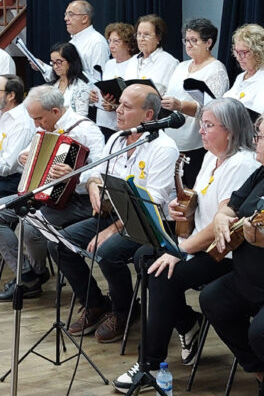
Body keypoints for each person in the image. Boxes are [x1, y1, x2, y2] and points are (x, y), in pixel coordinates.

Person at [113, 98, 260, 394]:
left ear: (229, 130)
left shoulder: (242, 163)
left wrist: (179, 251)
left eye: (208, 126)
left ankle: (150, 365)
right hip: (196, 243)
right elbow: (201, 204)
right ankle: (187, 323)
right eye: (202, 124)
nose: (201, 132)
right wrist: (185, 211)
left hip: (224, 252)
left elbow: (221, 224)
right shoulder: (210, 156)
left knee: (163, 275)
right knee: (144, 257)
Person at [48, 84, 179, 343]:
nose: (117, 110)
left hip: (149, 222)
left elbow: (151, 202)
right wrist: (95, 184)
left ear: (149, 116)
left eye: (126, 107)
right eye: (119, 104)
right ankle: (96, 303)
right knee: (58, 243)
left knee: (106, 253)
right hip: (115, 212)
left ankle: (125, 311)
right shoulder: (117, 138)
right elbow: (97, 172)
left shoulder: (164, 147)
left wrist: (111, 230)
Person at [0, 85, 105, 301]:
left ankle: (36, 275)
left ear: (55, 112)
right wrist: (23, 156)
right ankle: (27, 273)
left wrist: (76, 175)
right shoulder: (43, 127)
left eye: (39, 119)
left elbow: (102, 170)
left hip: (78, 199)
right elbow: (28, 151)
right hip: (42, 192)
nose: (36, 125)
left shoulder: (85, 129)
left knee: (31, 227)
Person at [200, 106, 264, 396]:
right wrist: (222, 218)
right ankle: (260, 369)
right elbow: (232, 204)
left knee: (263, 332)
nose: (255, 140)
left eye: (261, 135)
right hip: (247, 280)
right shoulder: (263, 174)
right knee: (213, 299)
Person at [162, 18, 229, 188]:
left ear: (209, 43)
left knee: (191, 190)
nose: (189, 44)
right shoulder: (182, 66)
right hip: (172, 138)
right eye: (186, 40)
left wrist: (180, 105)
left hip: (196, 142)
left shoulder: (216, 70)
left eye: (194, 40)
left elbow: (212, 109)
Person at [34, 0, 109, 82]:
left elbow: (99, 80)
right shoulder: (72, 42)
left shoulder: (97, 42)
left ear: (84, 18)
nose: (65, 18)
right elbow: (64, 75)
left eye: (71, 14)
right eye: (65, 14)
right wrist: (42, 66)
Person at [89, 22, 138, 140]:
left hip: (121, 125)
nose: (111, 45)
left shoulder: (134, 63)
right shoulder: (109, 64)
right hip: (103, 122)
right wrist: (94, 97)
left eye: (116, 41)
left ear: (129, 44)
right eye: (109, 41)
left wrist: (115, 106)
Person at [224, 24, 264, 119]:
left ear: (258, 52)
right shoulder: (241, 77)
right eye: (236, 52)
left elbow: (261, 117)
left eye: (243, 53)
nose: (238, 57)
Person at [124, 14, 179, 96]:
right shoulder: (133, 60)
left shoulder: (169, 62)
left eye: (146, 34)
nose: (141, 39)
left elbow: (173, 96)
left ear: (158, 38)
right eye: (139, 34)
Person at [0, 74, 35, 196]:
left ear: (11, 95)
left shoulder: (22, 123)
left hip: (11, 181)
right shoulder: (3, 112)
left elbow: (7, 168)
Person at [50, 42, 92, 116]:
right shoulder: (53, 85)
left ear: (70, 61)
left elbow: (81, 118)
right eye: (53, 63)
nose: (55, 66)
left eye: (59, 62)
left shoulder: (81, 88)